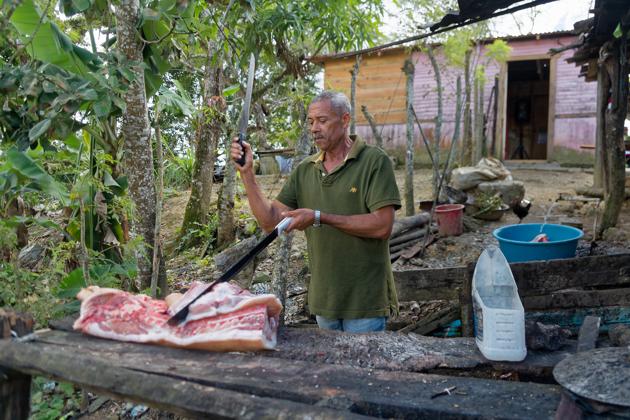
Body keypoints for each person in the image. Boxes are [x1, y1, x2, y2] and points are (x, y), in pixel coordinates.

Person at [230, 90, 401, 333]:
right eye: (310, 122)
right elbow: (270, 222)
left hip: (365, 301)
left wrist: (319, 217)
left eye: (322, 120)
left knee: (359, 371)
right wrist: (247, 174)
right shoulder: (305, 170)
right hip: (324, 301)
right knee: (329, 371)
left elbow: (382, 226)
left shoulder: (373, 161)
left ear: (344, 120)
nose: (314, 128)